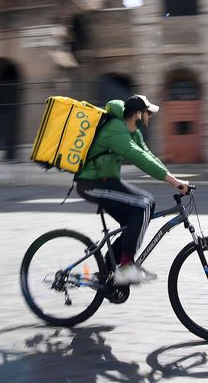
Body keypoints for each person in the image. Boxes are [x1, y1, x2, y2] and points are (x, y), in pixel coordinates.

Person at [76, 94, 191, 285]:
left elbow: (148, 155)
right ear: (138, 114)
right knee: (144, 204)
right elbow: (136, 155)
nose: (150, 116)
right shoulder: (116, 129)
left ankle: (108, 273)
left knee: (135, 220)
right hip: (91, 184)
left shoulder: (133, 132)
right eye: (148, 113)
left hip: (108, 182)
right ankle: (126, 267)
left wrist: (173, 178)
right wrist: (172, 181)